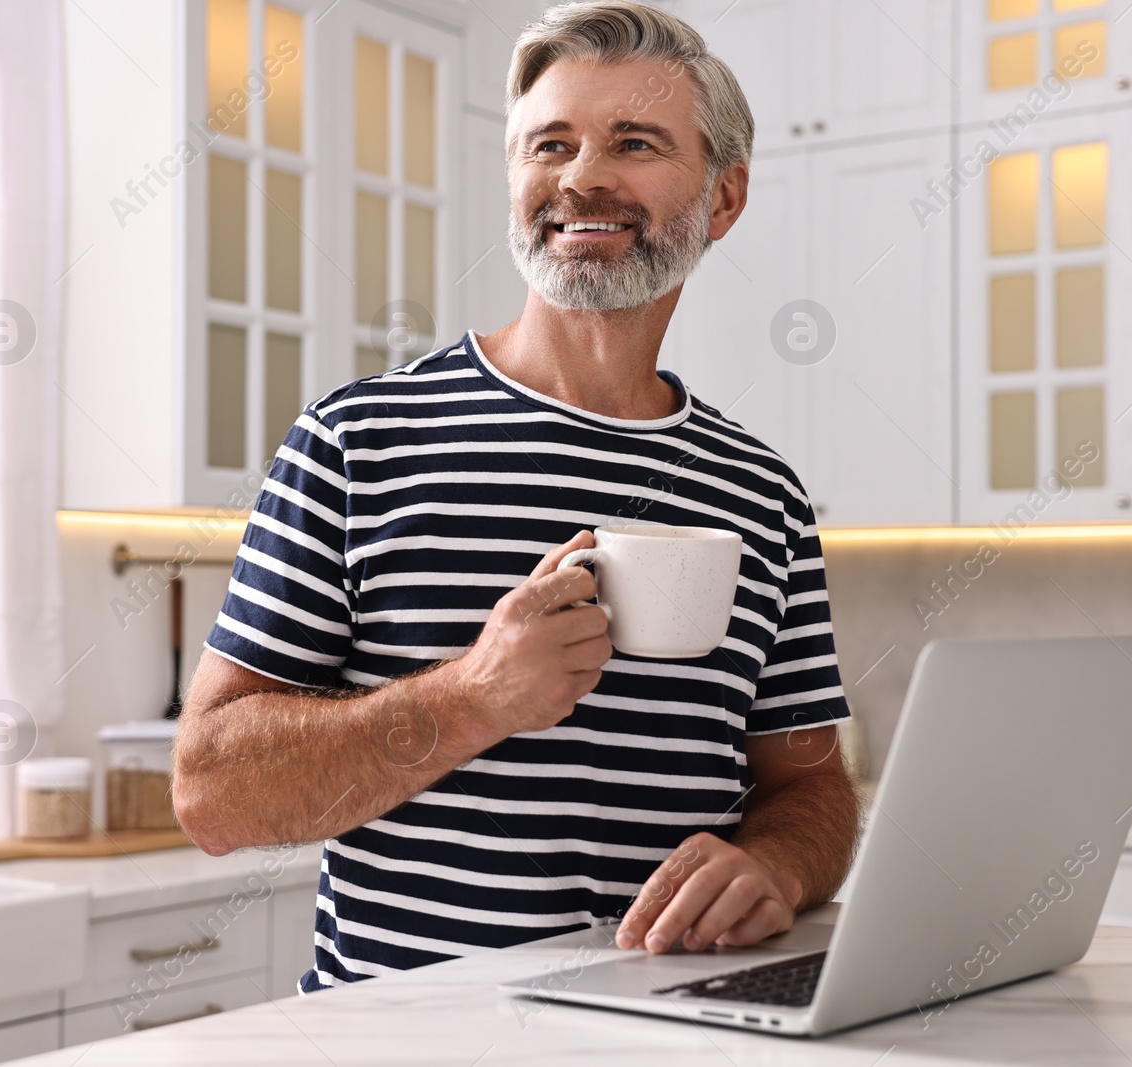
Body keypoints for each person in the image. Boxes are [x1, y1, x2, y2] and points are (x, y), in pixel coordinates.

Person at [173, 0, 862, 991]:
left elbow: (809, 782)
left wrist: (779, 864)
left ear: (722, 198)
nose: (582, 176)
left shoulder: (760, 493)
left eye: (634, 141)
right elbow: (213, 793)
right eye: (551, 144)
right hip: (408, 1045)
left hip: (677, 1027)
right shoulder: (358, 443)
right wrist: (475, 697)